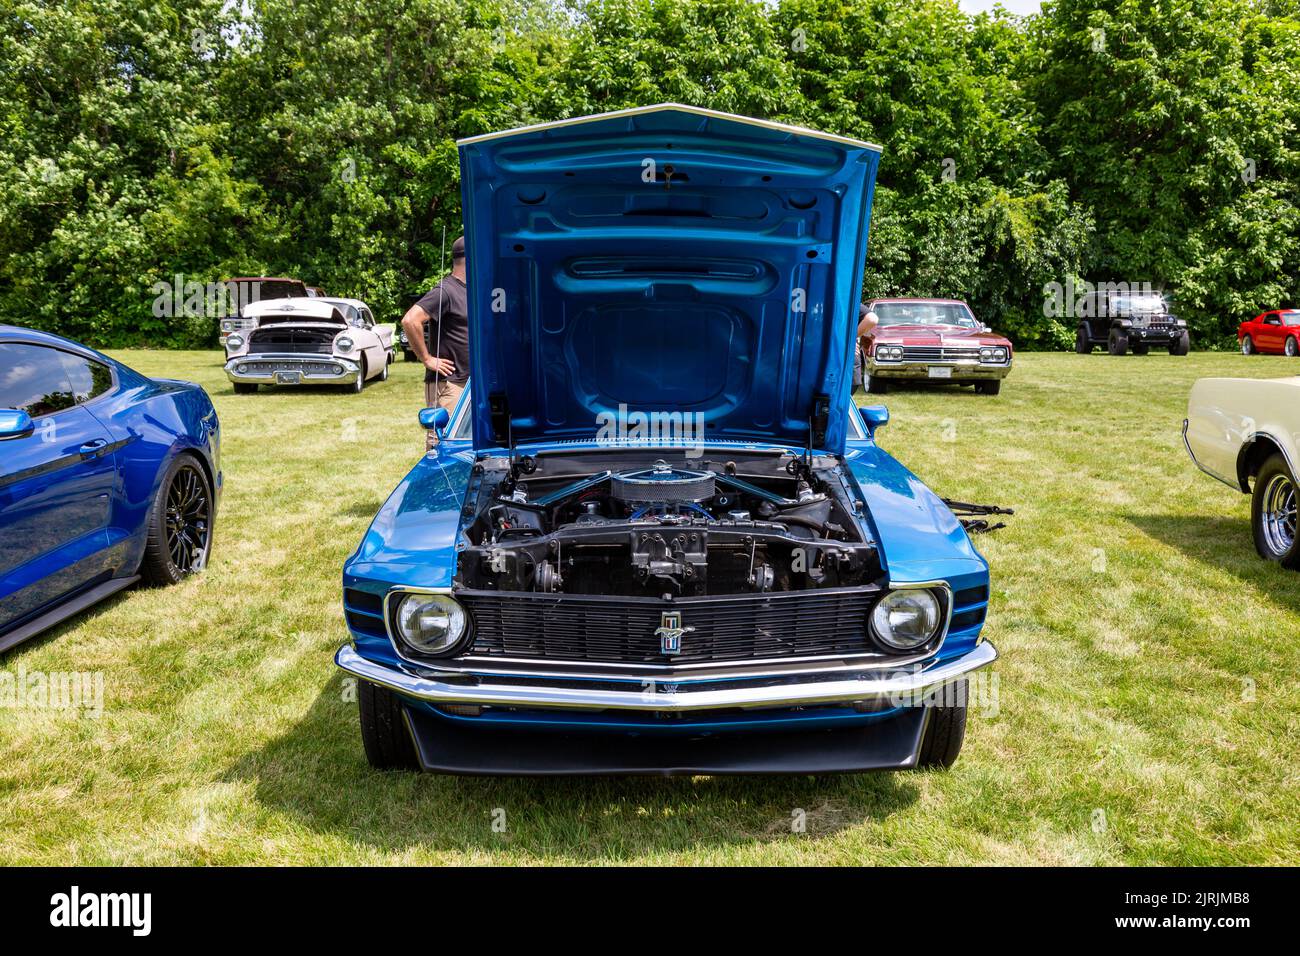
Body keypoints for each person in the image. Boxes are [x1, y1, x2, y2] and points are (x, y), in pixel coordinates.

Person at [402, 236, 469, 449]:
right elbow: (411, 320)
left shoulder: (470, 291)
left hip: (467, 383)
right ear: (469, 259)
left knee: (466, 443)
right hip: (449, 384)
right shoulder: (446, 290)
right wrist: (427, 359)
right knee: (443, 442)